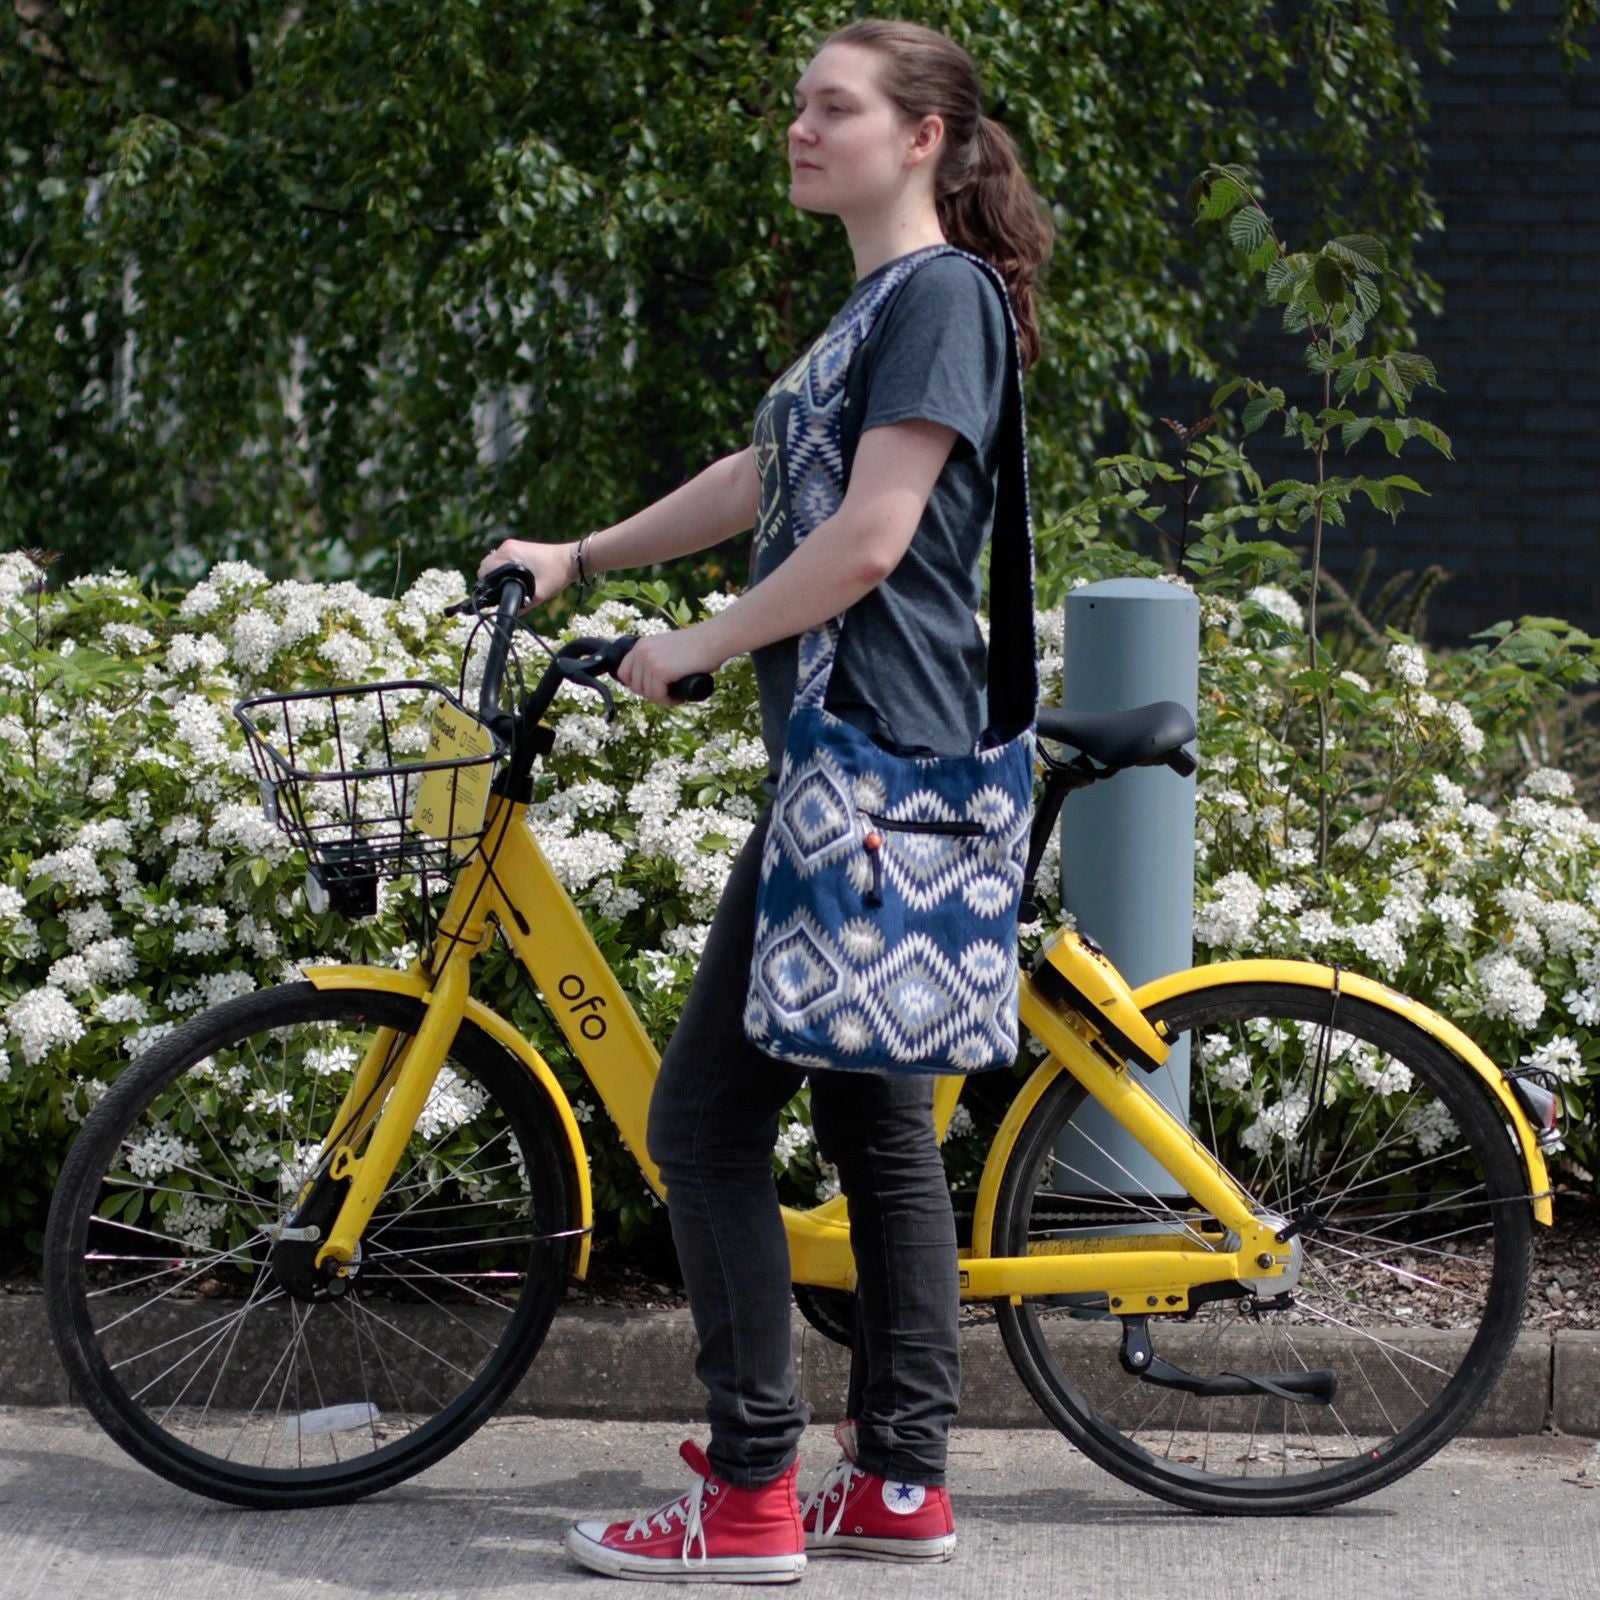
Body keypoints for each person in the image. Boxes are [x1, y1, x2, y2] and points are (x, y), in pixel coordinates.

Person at [480, 16, 1051, 1584]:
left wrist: (700, 646)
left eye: (834, 106)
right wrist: (584, 555)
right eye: (799, 105)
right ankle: (901, 1486)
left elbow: (870, 537)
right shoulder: (882, 307)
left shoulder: (937, 298)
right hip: (868, 764)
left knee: (704, 1124)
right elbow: (764, 480)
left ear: (923, 134)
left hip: (869, 760)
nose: (800, 128)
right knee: (882, 1136)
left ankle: (744, 1495)